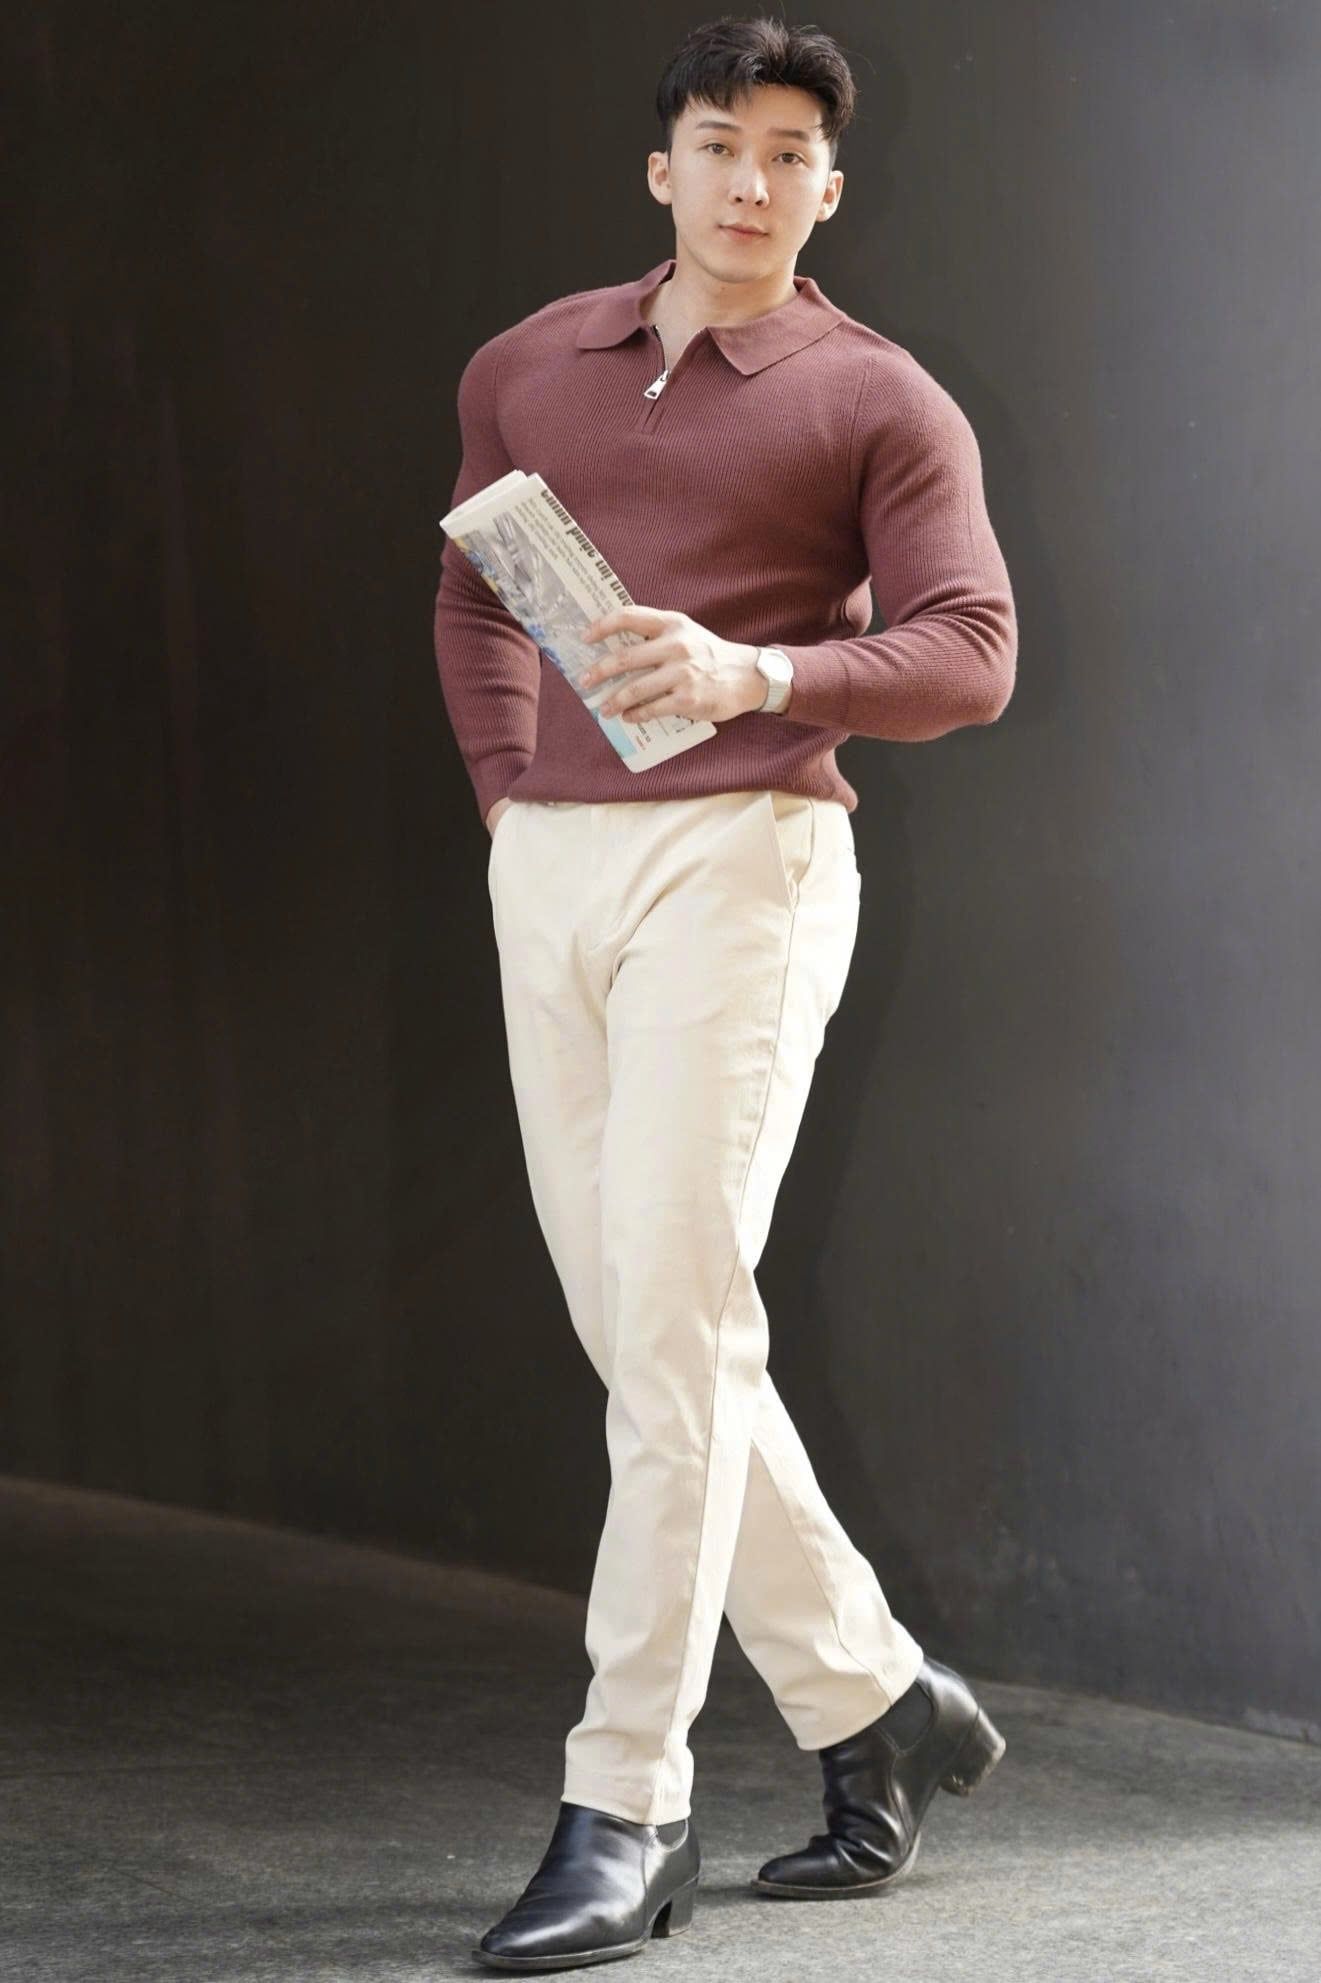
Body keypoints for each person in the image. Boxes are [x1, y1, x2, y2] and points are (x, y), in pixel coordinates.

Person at [433, 16, 1017, 1972]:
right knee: (650, 1333)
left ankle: (628, 1804)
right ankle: (878, 1700)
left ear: (827, 189)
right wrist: (510, 789)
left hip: (747, 859)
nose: (750, 180)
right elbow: (472, 587)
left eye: (787, 153)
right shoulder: (527, 365)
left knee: (672, 1332)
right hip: (556, 866)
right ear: (660, 168)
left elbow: (971, 651)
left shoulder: (878, 398)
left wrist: (760, 674)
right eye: (718, 143)